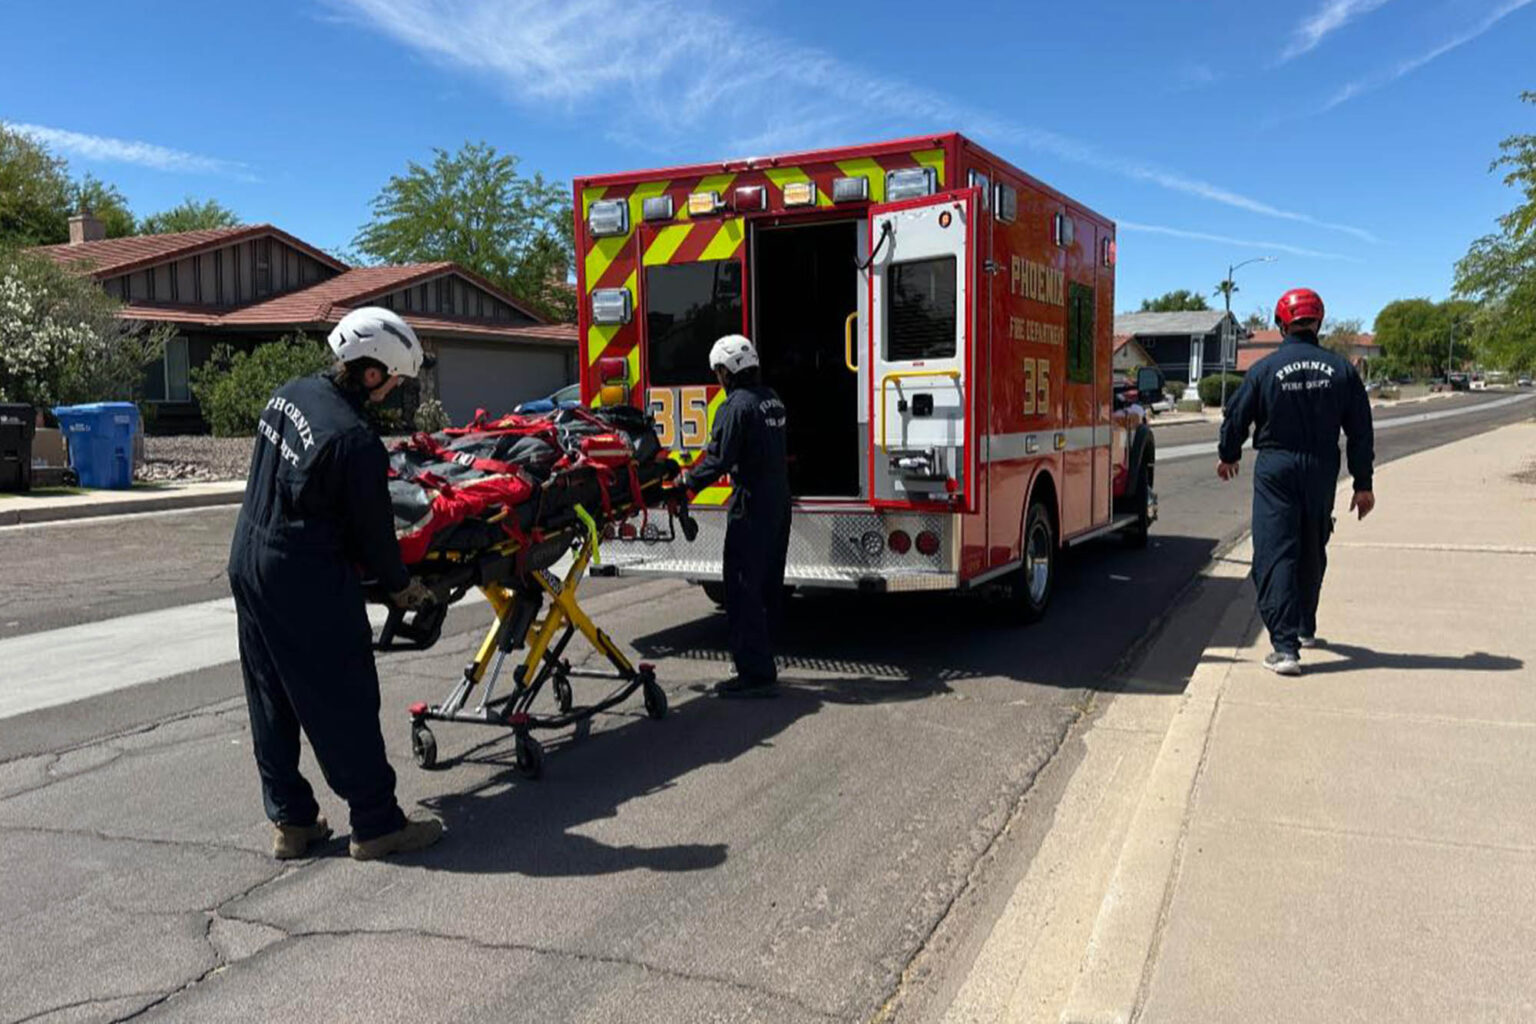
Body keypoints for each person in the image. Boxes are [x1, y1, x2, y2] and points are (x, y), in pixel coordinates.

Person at [228, 306, 445, 860]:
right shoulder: (354, 440)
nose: (394, 390)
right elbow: (374, 538)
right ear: (371, 372)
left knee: (270, 695)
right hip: (303, 575)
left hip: (248, 556)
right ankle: (376, 824)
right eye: (394, 379)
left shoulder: (288, 393)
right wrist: (405, 589)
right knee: (344, 694)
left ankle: (293, 823)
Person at [1217, 287, 1375, 676]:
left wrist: (1229, 454)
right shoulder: (1341, 370)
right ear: (1318, 321)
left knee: (1275, 552)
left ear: (1281, 323)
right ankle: (1305, 626)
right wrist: (1363, 483)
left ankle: (1285, 647)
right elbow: (1360, 430)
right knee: (1311, 544)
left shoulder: (1264, 370)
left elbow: (1237, 416)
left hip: (1277, 467)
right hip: (1321, 467)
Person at [670, 335, 790, 698]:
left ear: (728, 370)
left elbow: (718, 459)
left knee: (740, 587)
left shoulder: (735, 407)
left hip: (752, 504)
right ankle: (763, 657)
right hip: (778, 502)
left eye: (718, 371)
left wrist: (686, 483)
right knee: (768, 585)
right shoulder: (772, 399)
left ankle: (754, 674)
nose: (718, 378)